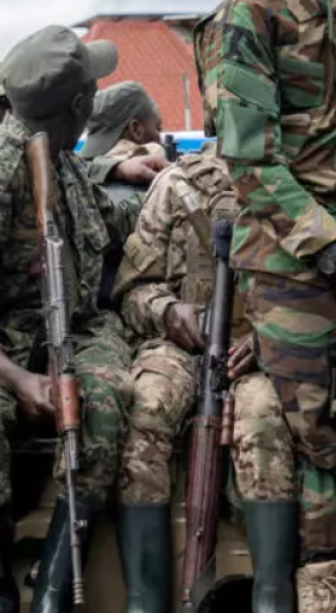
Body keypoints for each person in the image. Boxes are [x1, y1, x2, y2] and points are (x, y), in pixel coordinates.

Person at [0, 24, 139, 613]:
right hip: (0, 341)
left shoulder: (62, 159)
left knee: (107, 394)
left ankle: (52, 589)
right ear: (77, 106)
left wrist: (163, 182)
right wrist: (19, 379)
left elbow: (104, 224)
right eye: (92, 89)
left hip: (80, 328)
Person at [194, 0, 336, 608]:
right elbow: (251, 162)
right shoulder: (248, 16)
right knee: (316, 433)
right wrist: (326, 239)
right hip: (292, 261)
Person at [112, 141, 297, 613]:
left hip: (266, 352)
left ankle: (271, 598)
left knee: (262, 420)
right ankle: (144, 601)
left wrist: (265, 340)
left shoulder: (301, 184)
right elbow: (132, 291)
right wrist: (168, 309)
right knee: (145, 408)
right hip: (179, 345)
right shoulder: (177, 183)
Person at [78, 81, 169, 205]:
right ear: (136, 129)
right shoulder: (153, 190)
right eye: (158, 128)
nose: (160, 139)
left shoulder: (77, 178)